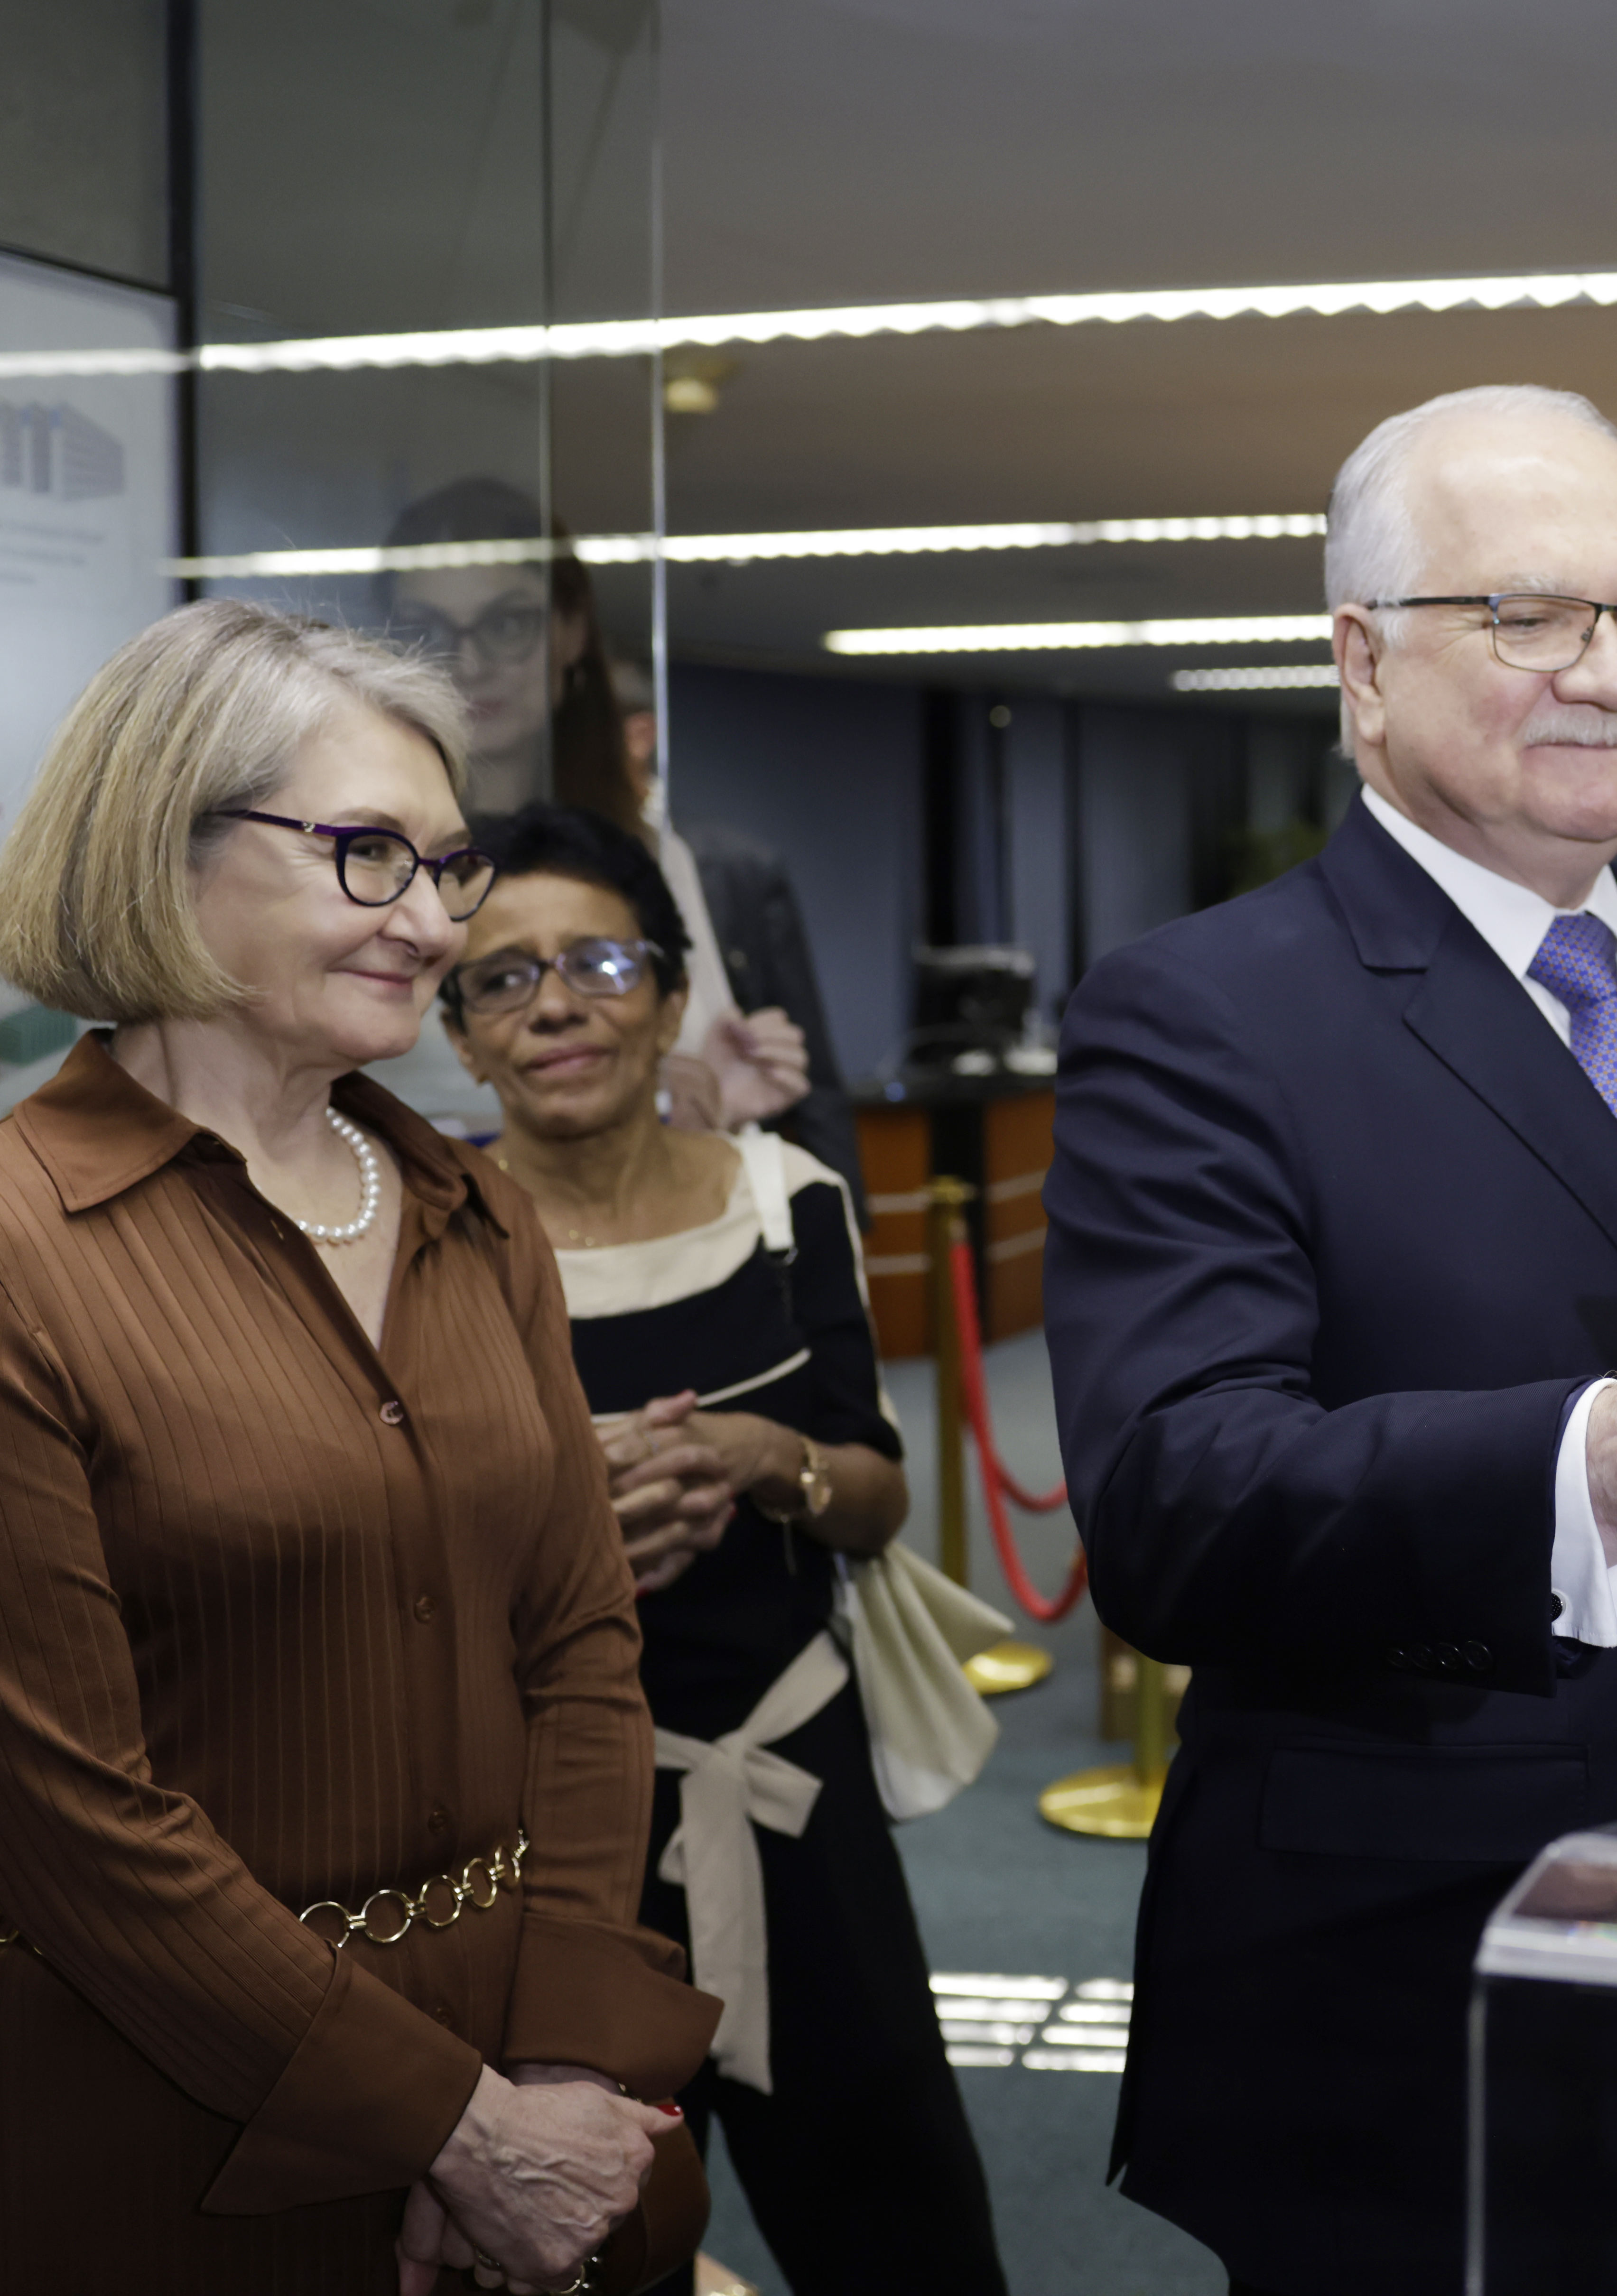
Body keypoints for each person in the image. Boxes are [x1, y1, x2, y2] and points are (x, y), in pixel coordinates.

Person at [1041, 383, 1617, 2296]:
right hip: (1422, 1961)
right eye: (1531, 615)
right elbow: (1170, 1501)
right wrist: (1600, 1471)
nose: (1612, 672)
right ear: (1360, 666)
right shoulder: (1200, 1010)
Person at [0, 600, 714, 2294]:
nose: (431, 922)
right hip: (167, 2103)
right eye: (366, 854)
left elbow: (585, 1652)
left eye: (445, 867)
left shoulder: (481, 1216)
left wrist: (556, 2074)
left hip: (525, 2048)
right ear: (161, 852)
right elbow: (76, 1827)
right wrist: (456, 2133)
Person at [439, 803, 1004, 2296]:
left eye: (599, 962)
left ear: (674, 997)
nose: (555, 1003)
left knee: (900, 2209)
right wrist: (557, 1527)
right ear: (459, 1036)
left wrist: (775, 1463)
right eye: (501, 978)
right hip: (540, 1834)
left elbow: (878, 1493)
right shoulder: (424, 1246)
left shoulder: (784, 1200)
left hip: (791, 1784)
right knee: (581, 2240)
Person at [377, 479, 813, 1147]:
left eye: (506, 624)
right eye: (427, 630)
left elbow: (698, 1072)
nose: (469, 662)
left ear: (573, 630)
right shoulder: (368, 861)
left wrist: (707, 1104)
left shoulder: (650, 854)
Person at [602, 653, 863, 1188]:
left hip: (730, 1167)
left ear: (639, 736)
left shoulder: (730, 867)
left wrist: (846, 1217)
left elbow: (808, 1056)